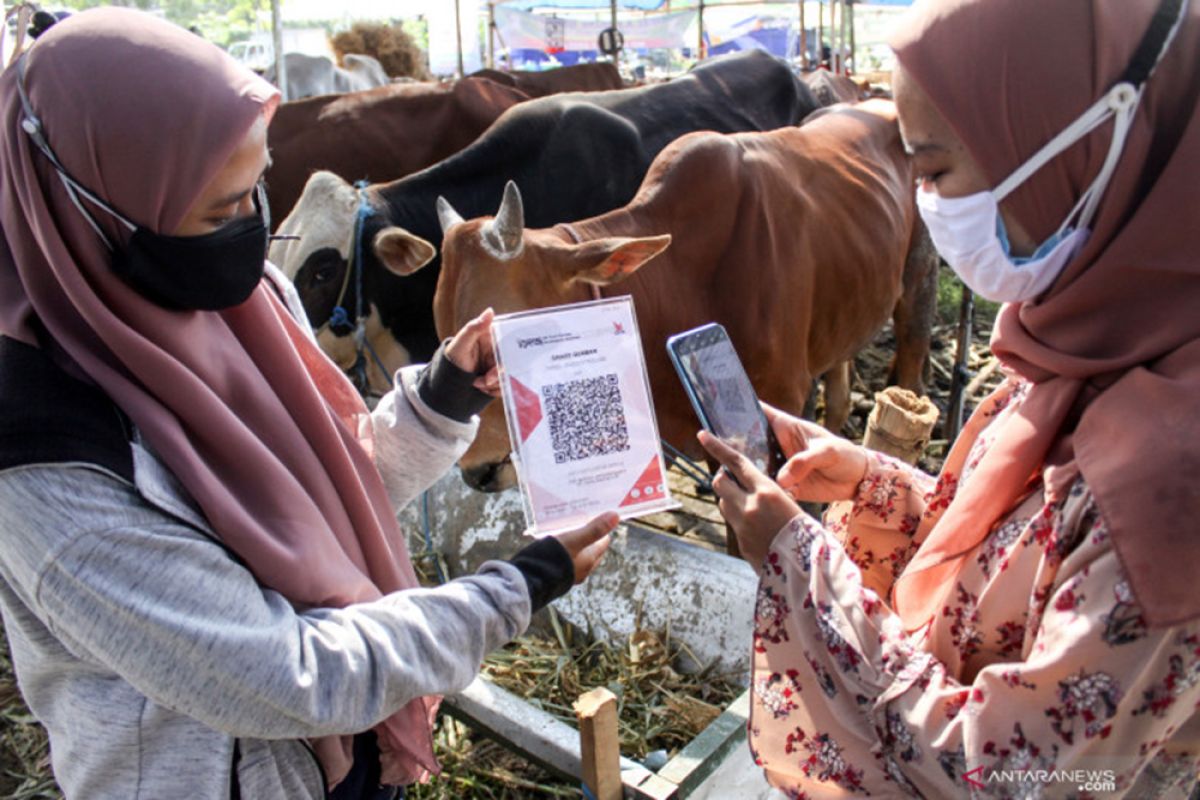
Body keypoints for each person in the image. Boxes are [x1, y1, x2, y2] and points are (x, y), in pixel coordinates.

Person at [0, 9, 617, 799]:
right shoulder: (47, 455)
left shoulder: (246, 302)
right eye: (222, 210)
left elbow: (330, 481)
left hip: (355, 743)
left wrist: (444, 391)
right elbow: (286, 675)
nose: (256, 228)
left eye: (259, 186)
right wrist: (515, 588)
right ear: (97, 203)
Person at [698, 0, 1200, 796]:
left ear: (1089, 145)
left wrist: (802, 564)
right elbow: (1019, 555)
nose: (926, 207)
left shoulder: (1172, 497)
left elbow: (1013, 776)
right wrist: (871, 481)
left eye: (932, 171)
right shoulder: (1091, 338)